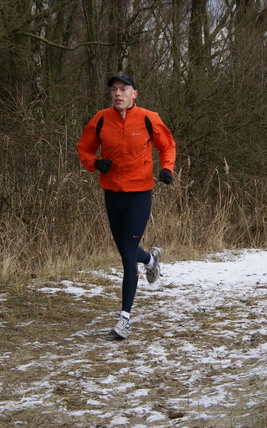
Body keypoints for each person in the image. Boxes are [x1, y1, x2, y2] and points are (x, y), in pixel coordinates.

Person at [77, 74, 176, 339]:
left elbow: (167, 145)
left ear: (135, 94)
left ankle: (125, 318)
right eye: (114, 90)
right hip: (112, 194)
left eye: (123, 89)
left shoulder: (148, 118)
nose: (118, 94)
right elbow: (84, 149)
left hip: (139, 195)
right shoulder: (100, 120)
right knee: (125, 249)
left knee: (127, 253)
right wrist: (95, 163)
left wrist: (167, 168)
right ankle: (151, 259)